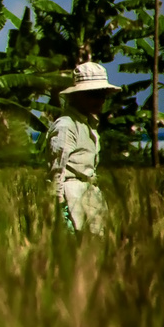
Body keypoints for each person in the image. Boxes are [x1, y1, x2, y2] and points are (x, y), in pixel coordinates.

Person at [48, 60, 119, 232]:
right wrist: (59, 209)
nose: (100, 100)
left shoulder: (88, 124)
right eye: (93, 94)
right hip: (72, 196)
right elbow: (57, 171)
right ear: (77, 96)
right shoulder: (66, 125)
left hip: (90, 195)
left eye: (102, 94)